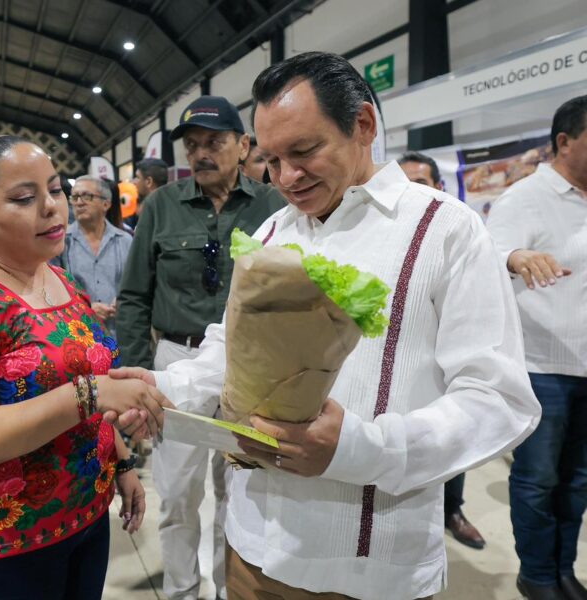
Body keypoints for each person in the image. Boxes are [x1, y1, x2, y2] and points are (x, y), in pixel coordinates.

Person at [113, 52, 540, 600]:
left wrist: (358, 447)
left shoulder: (445, 231)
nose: (286, 177)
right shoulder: (272, 231)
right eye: (270, 159)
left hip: (367, 568)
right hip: (250, 552)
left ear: (363, 125)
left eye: (305, 151)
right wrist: (165, 390)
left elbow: (499, 400)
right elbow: (230, 350)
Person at [0, 134, 169, 600]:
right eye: (25, 198)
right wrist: (91, 393)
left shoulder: (58, 278)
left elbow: (88, 373)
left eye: (56, 189)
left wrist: (121, 460)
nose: (52, 207)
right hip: (2, 543)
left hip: (84, 518)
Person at [117, 94, 285, 600]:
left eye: (214, 141)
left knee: (238, 493)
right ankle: (181, 592)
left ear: (243, 144)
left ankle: (225, 589)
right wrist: (139, 378)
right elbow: (134, 296)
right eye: (193, 145)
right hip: (178, 359)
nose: (202, 153)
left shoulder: (273, 205)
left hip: (250, 369)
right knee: (177, 495)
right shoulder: (161, 206)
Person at [486, 95, 587, 600]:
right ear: (564, 141)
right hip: (543, 366)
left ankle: (564, 569)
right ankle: (538, 575)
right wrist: (517, 256)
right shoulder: (525, 197)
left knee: (577, 483)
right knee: (538, 481)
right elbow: (491, 254)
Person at [398, 150, 486, 551]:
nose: (410, 193)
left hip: (447, 363)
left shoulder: (459, 229)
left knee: (449, 442)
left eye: (419, 183)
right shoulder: (388, 236)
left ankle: (453, 510)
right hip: (401, 371)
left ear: (438, 186)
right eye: (403, 184)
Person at [57, 175, 133, 337]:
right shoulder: (61, 242)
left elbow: (136, 284)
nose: (79, 202)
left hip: (121, 334)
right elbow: (53, 289)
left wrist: (124, 302)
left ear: (106, 204)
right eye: (75, 197)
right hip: (79, 336)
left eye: (87, 196)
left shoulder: (125, 240)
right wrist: (86, 308)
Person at [127, 157, 168, 229]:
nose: (134, 182)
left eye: (137, 177)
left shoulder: (150, 213)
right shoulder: (171, 208)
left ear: (149, 181)